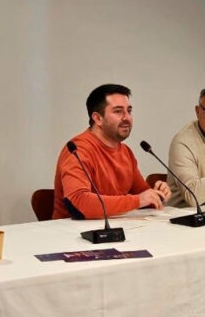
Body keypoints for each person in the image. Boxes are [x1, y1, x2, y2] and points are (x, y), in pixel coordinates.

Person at [53, 84, 171, 219]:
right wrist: (138, 200)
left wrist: (157, 195)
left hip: (117, 226)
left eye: (129, 111)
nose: (127, 118)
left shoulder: (126, 152)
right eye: (118, 111)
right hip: (73, 229)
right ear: (98, 118)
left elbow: (142, 198)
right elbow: (78, 203)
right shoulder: (78, 150)